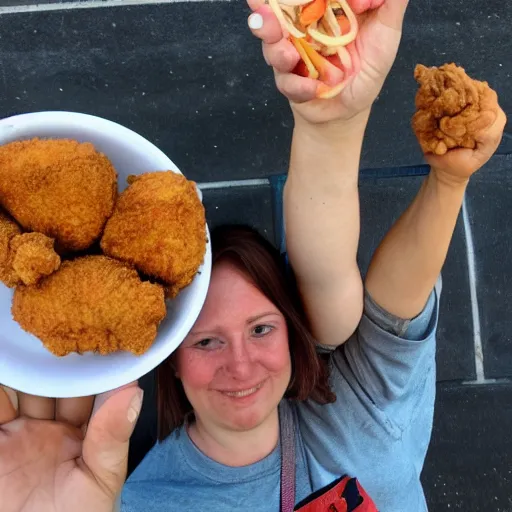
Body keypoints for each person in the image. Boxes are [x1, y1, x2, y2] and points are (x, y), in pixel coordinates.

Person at [0, 0, 506, 511]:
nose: (240, 366)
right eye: (206, 342)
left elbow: (329, 276)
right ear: (172, 362)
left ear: (292, 331)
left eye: (261, 329)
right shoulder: (140, 499)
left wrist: (421, 167)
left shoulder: (363, 402)